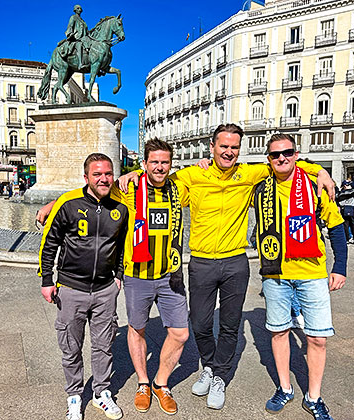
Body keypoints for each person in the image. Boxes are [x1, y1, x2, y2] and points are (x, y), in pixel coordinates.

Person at [118, 124, 334, 410]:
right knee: (200, 323)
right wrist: (134, 173)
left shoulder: (249, 173)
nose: (229, 152)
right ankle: (208, 365)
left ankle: (219, 375)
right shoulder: (193, 175)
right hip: (202, 262)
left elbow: (283, 163)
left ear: (239, 150)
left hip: (235, 262)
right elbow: (157, 178)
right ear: (212, 147)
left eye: (234, 147)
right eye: (224, 146)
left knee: (231, 325)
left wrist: (319, 170)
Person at [253, 134, 348, 420]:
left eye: (287, 152)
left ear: (296, 154)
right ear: (268, 160)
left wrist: (340, 267)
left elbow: (337, 229)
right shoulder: (259, 187)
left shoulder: (315, 184)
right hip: (275, 275)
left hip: (312, 274)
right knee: (279, 332)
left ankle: (314, 396)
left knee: (318, 339)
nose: (281, 158)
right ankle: (284, 388)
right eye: (275, 155)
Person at [39, 153, 128, 420]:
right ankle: (75, 396)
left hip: (104, 290)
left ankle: (102, 393)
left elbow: (122, 245)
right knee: (71, 346)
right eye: (97, 174)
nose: (104, 179)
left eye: (108, 173)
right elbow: (50, 243)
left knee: (104, 345)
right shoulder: (68, 204)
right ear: (86, 177)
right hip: (71, 287)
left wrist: (119, 275)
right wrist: (46, 280)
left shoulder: (120, 207)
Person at [111, 139, 188, 415]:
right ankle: (143, 382)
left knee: (180, 332)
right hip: (137, 274)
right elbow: (94, 191)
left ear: (171, 164)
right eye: (154, 161)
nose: (159, 166)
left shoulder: (180, 188)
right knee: (137, 328)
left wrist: (316, 171)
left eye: (164, 162)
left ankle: (160, 383)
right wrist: (53, 205)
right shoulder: (130, 187)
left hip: (170, 274)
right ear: (144, 164)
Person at [64, 4, 90, 69]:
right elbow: (70, 26)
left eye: (80, 8)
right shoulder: (73, 17)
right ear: (75, 10)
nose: (79, 10)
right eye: (78, 8)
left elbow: (86, 31)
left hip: (84, 38)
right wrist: (70, 34)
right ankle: (80, 64)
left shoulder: (83, 21)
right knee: (79, 46)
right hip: (77, 38)